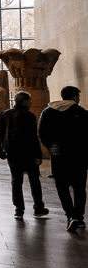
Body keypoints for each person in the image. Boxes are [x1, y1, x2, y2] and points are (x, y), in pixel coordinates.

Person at [38, 86, 88, 231]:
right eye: (78, 96)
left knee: (62, 188)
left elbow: (41, 132)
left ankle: (70, 216)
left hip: (58, 156)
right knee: (79, 188)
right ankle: (79, 218)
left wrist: (51, 148)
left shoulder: (47, 111)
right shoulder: (81, 112)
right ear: (74, 97)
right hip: (79, 156)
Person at [0, 91, 48, 219]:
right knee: (34, 181)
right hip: (28, 154)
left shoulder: (4, 115)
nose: (31, 103)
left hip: (12, 154)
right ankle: (38, 208)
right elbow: (34, 138)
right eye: (29, 101)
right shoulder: (29, 116)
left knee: (16, 181)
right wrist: (38, 155)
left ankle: (19, 210)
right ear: (24, 101)